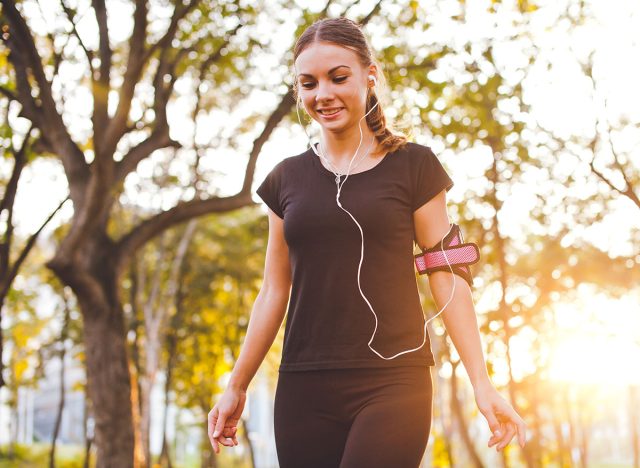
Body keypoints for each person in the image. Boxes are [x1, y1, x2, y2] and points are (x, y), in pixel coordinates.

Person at [208, 16, 526, 467]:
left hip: (394, 381)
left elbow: (446, 272)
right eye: (309, 83)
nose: (323, 94)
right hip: (305, 383)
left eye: (338, 78)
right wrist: (236, 384)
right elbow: (274, 290)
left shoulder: (415, 166)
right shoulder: (285, 179)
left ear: (369, 75)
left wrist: (482, 381)